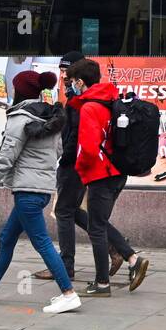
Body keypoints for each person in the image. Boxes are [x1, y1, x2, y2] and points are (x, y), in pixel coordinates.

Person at [0, 70, 81, 315]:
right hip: (40, 188)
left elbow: (5, 159)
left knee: (42, 243)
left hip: (27, 190)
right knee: (7, 237)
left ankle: (68, 293)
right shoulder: (51, 116)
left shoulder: (20, 119)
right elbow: (58, 151)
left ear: (18, 91)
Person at [34, 51, 123, 283]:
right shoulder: (83, 98)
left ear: (78, 77)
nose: (63, 76)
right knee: (75, 212)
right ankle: (120, 250)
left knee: (65, 211)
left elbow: (76, 137)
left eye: (67, 72)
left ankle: (66, 267)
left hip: (75, 164)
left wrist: (66, 161)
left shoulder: (82, 102)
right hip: (80, 164)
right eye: (62, 71)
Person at [66, 58, 149, 296]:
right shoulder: (110, 100)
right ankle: (132, 259)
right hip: (116, 172)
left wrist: (80, 169)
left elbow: (89, 149)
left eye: (72, 82)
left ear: (80, 82)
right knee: (98, 224)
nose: (72, 86)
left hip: (101, 175)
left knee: (96, 230)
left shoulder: (90, 108)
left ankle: (102, 283)